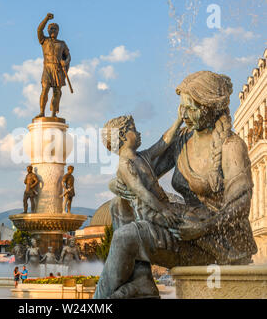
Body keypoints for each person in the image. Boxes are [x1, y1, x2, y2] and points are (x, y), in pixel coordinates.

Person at [94, 71, 257, 299]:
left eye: (192, 109)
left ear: (210, 107)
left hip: (218, 241)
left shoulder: (231, 146)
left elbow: (241, 206)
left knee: (126, 237)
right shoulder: (183, 139)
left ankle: (99, 302)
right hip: (185, 226)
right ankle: (141, 281)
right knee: (118, 204)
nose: (185, 115)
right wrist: (117, 183)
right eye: (183, 108)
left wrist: (202, 228)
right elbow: (143, 168)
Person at [101, 112, 183, 228]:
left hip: (163, 205)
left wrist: (179, 120)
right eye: (133, 129)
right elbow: (141, 191)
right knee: (188, 224)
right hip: (152, 214)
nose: (138, 133)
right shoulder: (125, 165)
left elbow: (163, 142)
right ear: (122, 136)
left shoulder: (142, 156)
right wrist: (163, 210)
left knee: (194, 213)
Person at [36, 12, 71, 118]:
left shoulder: (62, 43)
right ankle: (42, 112)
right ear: (48, 30)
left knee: (56, 92)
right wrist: (46, 18)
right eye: (51, 29)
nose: (53, 31)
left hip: (58, 69)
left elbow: (68, 56)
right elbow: (39, 30)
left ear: (58, 31)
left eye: (55, 29)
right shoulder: (44, 41)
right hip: (47, 68)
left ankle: (53, 114)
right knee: (45, 89)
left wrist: (66, 61)